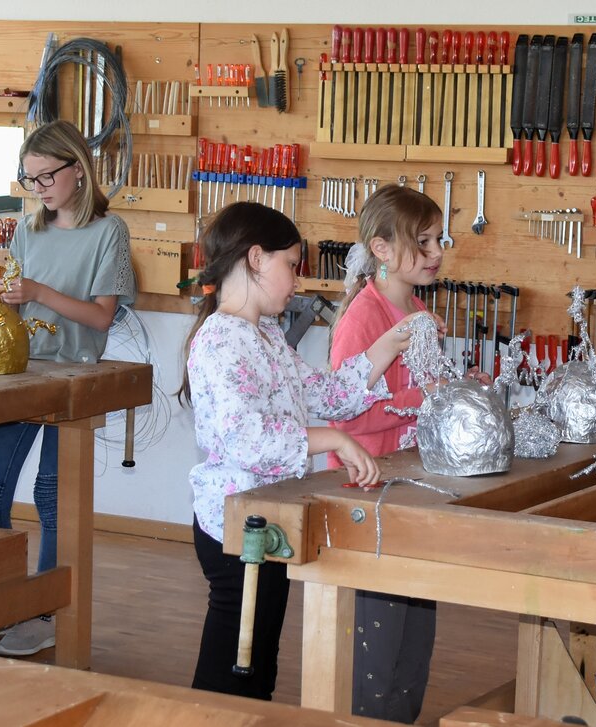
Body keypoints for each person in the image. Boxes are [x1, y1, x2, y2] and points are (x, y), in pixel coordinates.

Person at [180, 201, 422, 702]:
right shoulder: (221, 340)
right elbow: (247, 439)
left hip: (266, 518)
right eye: (290, 265)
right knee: (233, 666)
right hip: (235, 525)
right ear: (254, 258)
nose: (296, 281)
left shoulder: (264, 334)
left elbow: (329, 395)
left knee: (258, 659)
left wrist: (392, 342)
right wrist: (333, 438)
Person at [0, 120, 136, 657]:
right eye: (29, 179)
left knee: (51, 496)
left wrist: (40, 290)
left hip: (71, 374)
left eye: (46, 176)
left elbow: (99, 318)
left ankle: (44, 612)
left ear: (77, 170)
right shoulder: (28, 227)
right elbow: (15, 301)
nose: (39, 188)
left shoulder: (108, 232)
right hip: (22, 370)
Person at [328, 184, 487, 723]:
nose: (437, 252)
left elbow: (422, 393)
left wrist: (461, 388)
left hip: (409, 489)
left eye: (438, 239)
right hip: (366, 497)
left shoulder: (417, 308)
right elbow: (348, 416)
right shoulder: (362, 319)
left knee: (414, 645)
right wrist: (431, 397)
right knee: (376, 648)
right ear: (381, 250)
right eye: (422, 242)